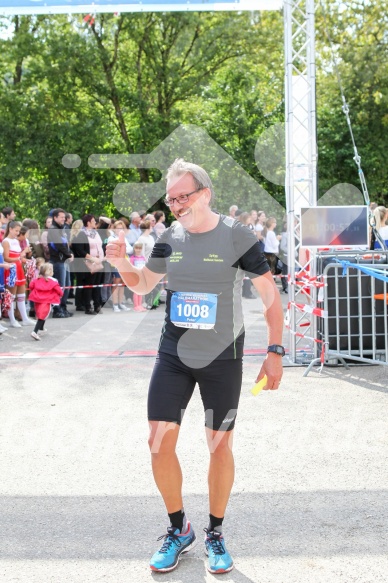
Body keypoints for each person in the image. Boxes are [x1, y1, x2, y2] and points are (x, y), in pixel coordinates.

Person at [106, 158, 284, 574]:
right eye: (170, 199)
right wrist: (121, 264)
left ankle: (216, 533)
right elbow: (145, 284)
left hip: (223, 355)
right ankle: (178, 529)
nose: (175, 204)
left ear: (204, 193)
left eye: (182, 196)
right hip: (175, 354)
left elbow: (270, 297)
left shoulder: (238, 236)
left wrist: (274, 351)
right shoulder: (169, 236)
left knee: (219, 445)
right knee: (158, 442)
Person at [2, 220, 35, 327]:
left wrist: (26, 260)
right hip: (11, 269)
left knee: (21, 295)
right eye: (16, 230)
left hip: (19, 268)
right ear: (10, 229)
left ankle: (24, 318)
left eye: (19, 231)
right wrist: (19, 257)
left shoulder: (16, 241)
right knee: (11, 296)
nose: (17, 233)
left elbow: (19, 256)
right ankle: (12, 320)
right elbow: (6, 258)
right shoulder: (6, 241)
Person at [47, 208, 73, 318]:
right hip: (58, 261)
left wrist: (70, 253)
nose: (63, 219)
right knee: (60, 286)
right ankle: (57, 309)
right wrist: (69, 254)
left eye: (64, 217)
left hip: (64, 261)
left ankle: (63, 307)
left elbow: (66, 245)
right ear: (55, 217)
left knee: (67, 285)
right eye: (61, 217)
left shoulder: (61, 229)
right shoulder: (53, 229)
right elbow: (59, 245)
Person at [29, 263, 63, 340]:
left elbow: (31, 286)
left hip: (37, 299)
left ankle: (42, 328)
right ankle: (35, 331)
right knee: (43, 316)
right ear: (50, 272)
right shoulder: (53, 281)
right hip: (46, 300)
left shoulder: (36, 279)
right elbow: (59, 290)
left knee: (41, 315)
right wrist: (61, 294)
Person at [107, 220, 132, 313]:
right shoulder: (111, 238)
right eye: (118, 228)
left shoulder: (124, 238)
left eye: (121, 228)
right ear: (114, 229)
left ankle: (121, 303)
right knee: (116, 283)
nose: (120, 230)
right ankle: (115, 304)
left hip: (124, 263)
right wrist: (122, 249)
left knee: (122, 283)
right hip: (115, 264)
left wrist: (123, 249)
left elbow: (130, 249)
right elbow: (115, 248)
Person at [129, 243, 147, 312]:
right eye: (137, 248)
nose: (138, 250)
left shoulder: (143, 258)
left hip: (142, 277)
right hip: (135, 277)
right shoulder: (132, 258)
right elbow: (130, 268)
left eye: (140, 248)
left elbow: (145, 267)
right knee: (136, 292)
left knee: (141, 292)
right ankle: (136, 306)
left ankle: (140, 305)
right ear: (134, 249)